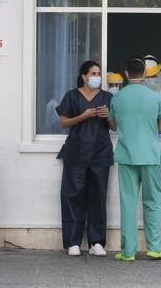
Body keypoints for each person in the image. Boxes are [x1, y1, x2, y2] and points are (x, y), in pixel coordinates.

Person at [108, 58, 161, 262]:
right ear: (144, 72)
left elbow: (113, 125)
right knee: (153, 202)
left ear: (126, 73)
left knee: (128, 202)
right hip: (151, 155)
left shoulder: (117, 98)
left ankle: (128, 251)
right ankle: (155, 248)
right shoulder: (155, 97)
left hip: (127, 155)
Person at [56, 60, 113, 257]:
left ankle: (96, 242)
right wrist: (83, 116)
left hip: (100, 153)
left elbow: (114, 126)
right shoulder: (72, 96)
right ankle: (73, 241)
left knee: (98, 196)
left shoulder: (107, 97)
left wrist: (106, 116)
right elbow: (63, 122)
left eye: (99, 74)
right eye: (93, 73)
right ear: (84, 76)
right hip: (76, 152)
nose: (97, 77)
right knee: (73, 195)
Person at [142, 54, 161, 134]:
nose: (150, 78)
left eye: (153, 75)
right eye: (148, 76)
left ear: (160, 70)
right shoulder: (138, 84)